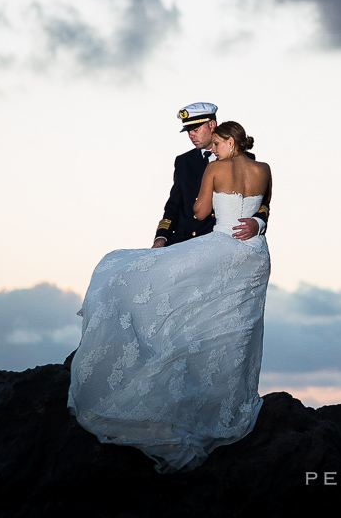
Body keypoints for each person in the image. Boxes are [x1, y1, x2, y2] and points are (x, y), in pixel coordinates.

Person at [68, 119, 272, 472]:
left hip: (223, 245)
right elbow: (264, 204)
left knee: (133, 275)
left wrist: (236, 207)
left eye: (215, 142)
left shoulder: (215, 166)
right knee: (236, 330)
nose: (209, 147)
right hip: (255, 254)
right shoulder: (264, 168)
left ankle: (183, 386)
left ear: (224, 138)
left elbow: (199, 212)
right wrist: (258, 223)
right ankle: (225, 405)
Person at [154, 102, 268, 245]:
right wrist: (161, 236)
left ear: (212, 125)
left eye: (195, 129)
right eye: (188, 131)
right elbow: (174, 204)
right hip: (185, 239)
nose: (191, 135)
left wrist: (258, 223)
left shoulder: (247, 160)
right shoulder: (183, 161)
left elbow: (262, 202)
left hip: (222, 241)